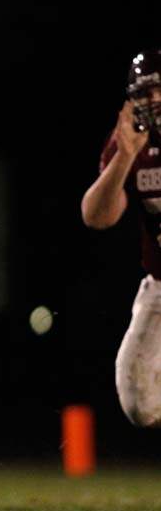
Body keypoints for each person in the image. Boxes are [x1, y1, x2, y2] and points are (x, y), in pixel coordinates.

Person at [83, 49, 161, 427]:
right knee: (139, 403)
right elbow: (97, 216)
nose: (154, 99)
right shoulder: (130, 142)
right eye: (146, 92)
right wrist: (125, 156)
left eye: (160, 89)